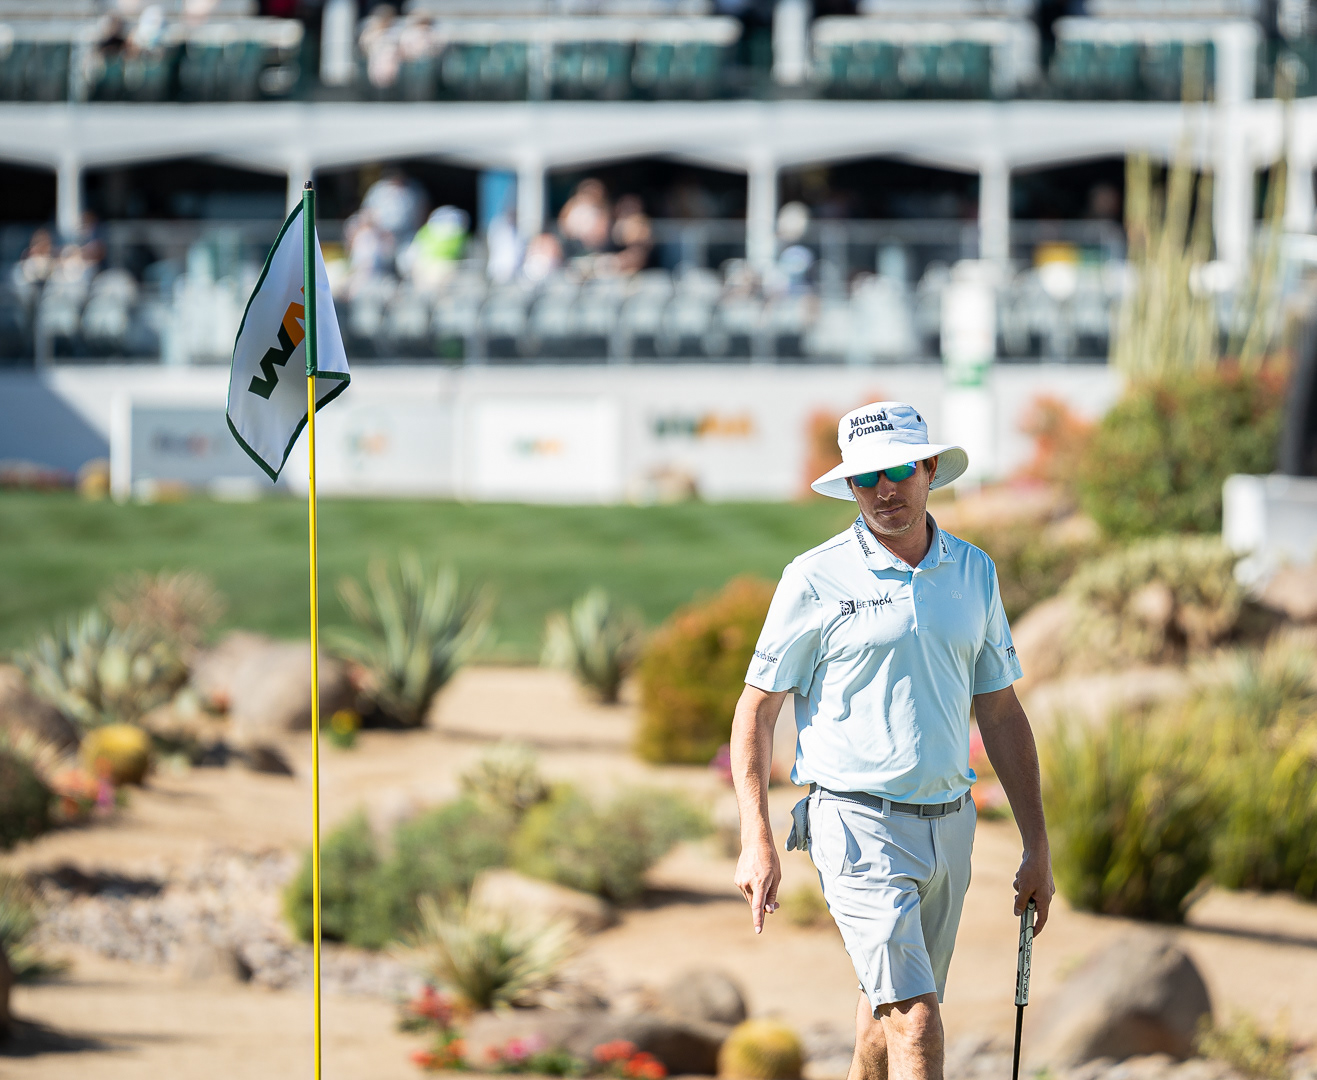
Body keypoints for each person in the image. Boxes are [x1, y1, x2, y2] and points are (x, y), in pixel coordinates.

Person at [730, 401, 1054, 1080]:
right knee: (916, 1020)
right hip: (855, 825)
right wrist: (755, 837)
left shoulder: (973, 572)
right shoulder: (814, 577)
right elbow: (756, 712)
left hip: (949, 828)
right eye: (864, 478)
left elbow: (998, 711)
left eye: (899, 469)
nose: (883, 490)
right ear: (850, 487)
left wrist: (1036, 845)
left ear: (929, 468)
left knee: (885, 1018)